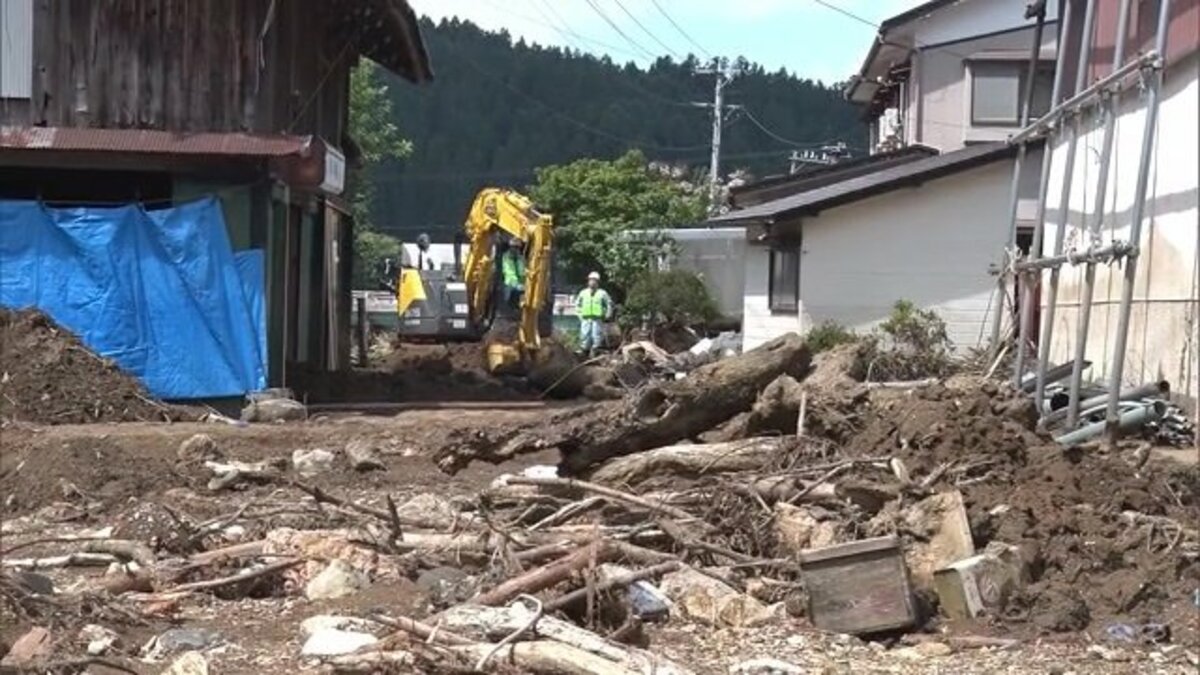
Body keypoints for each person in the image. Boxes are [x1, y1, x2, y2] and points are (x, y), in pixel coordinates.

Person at [575, 271, 612, 356]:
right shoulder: (583, 293)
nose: (592, 282)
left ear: (598, 282)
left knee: (596, 335)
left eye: (594, 280)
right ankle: (584, 351)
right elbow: (577, 304)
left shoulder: (602, 293)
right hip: (585, 318)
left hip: (597, 318)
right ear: (588, 281)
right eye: (591, 280)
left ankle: (596, 350)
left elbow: (609, 303)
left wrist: (607, 314)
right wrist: (579, 315)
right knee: (584, 334)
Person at [501, 239, 526, 312]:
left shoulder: (521, 258)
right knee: (515, 292)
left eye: (517, 247)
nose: (516, 249)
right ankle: (511, 307)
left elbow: (523, 271)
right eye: (514, 247)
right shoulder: (506, 257)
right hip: (509, 284)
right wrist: (517, 284)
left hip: (521, 284)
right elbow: (509, 272)